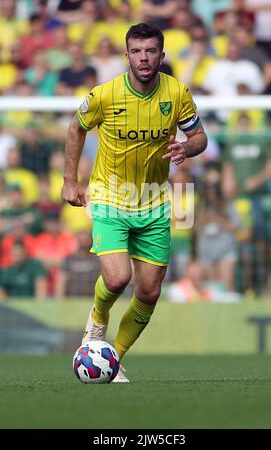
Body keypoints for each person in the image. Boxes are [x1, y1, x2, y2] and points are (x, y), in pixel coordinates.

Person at [61, 22, 207, 382]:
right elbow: (76, 128)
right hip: (111, 196)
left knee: (149, 290)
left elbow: (199, 136)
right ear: (127, 55)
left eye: (151, 51)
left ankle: (114, 358)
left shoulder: (177, 92)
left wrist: (187, 147)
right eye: (137, 52)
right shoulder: (104, 95)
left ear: (162, 54)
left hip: (155, 202)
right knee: (116, 279)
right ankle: (96, 325)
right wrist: (70, 179)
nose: (144, 58)